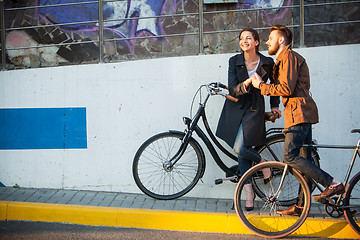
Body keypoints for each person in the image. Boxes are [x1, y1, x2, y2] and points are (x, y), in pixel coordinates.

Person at [251, 25, 344, 215]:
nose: (267, 41)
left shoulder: (289, 57)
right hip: (299, 112)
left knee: (289, 156)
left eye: (270, 38)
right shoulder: (284, 60)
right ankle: (301, 206)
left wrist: (261, 86)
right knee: (304, 160)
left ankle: (333, 183)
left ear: (281, 40)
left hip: (298, 113)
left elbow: (285, 88)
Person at [216, 28, 281, 211]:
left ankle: (263, 165)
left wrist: (275, 104)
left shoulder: (268, 62)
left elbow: (274, 84)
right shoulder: (234, 61)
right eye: (242, 39)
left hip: (254, 108)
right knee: (241, 152)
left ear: (256, 42)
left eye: (248, 38)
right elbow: (233, 90)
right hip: (236, 107)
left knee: (240, 147)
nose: (244, 41)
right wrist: (246, 83)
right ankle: (249, 190)